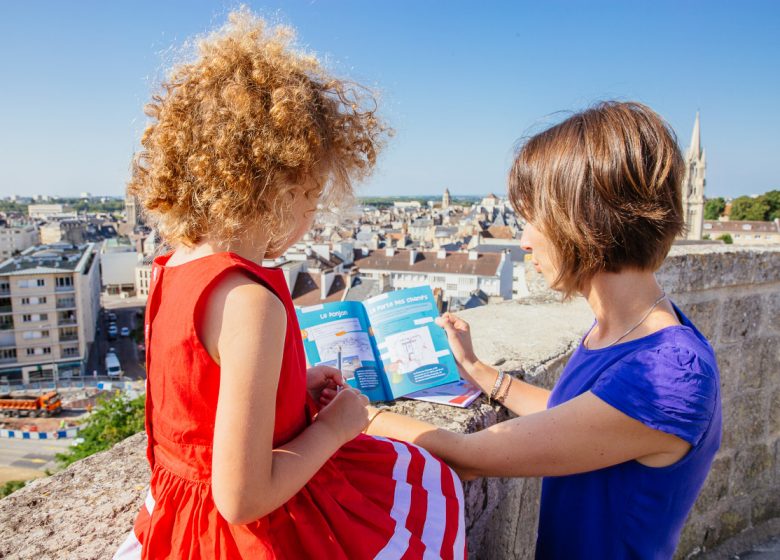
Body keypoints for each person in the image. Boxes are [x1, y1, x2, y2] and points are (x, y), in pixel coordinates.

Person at [113, 11, 464, 560]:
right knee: (428, 485)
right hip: (244, 536)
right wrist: (337, 429)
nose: (311, 216)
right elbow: (241, 497)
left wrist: (291, 388)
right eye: (312, 197)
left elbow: (198, 400)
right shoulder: (251, 300)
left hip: (177, 515)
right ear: (283, 189)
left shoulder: (173, 267)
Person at [366, 102, 722, 559]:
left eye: (536, 219)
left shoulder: (668, 376)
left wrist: (360, 416)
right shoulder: (633, 332)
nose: (525, 239)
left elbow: (467, 455)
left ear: (585, 222)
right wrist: (478, 370)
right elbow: (574, 416)